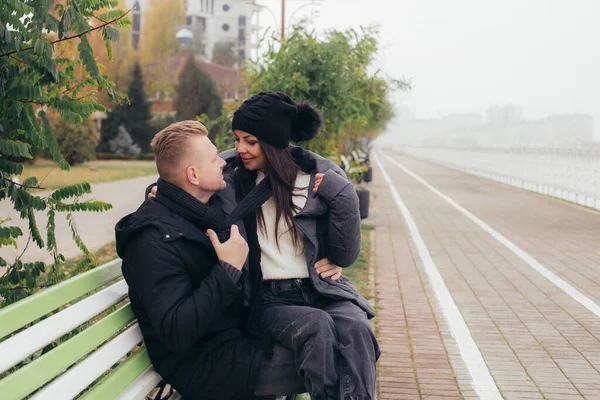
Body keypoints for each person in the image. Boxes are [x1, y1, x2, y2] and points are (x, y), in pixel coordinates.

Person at [115, 120, 307, 399]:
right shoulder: (151, 241)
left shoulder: (200, 210)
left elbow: (262, 172)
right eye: (215, 158)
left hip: (237, 340)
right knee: (330, 358)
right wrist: (228, 269)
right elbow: (177, 331)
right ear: (193, 175)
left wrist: (317, 178)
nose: (223, 163)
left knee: (336, 342)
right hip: (203, 364)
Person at [220, 91, 380, 400]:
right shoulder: (232, 179)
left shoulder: (318, 179)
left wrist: (342, 193)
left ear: (273, 141)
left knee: (357, 329)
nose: (240, 148)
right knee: (316, 326)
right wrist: (157, 188)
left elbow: (345, 254)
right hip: (270, 299)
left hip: (321, 290)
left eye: (250, 141)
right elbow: (189, 173)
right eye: (237, 139)